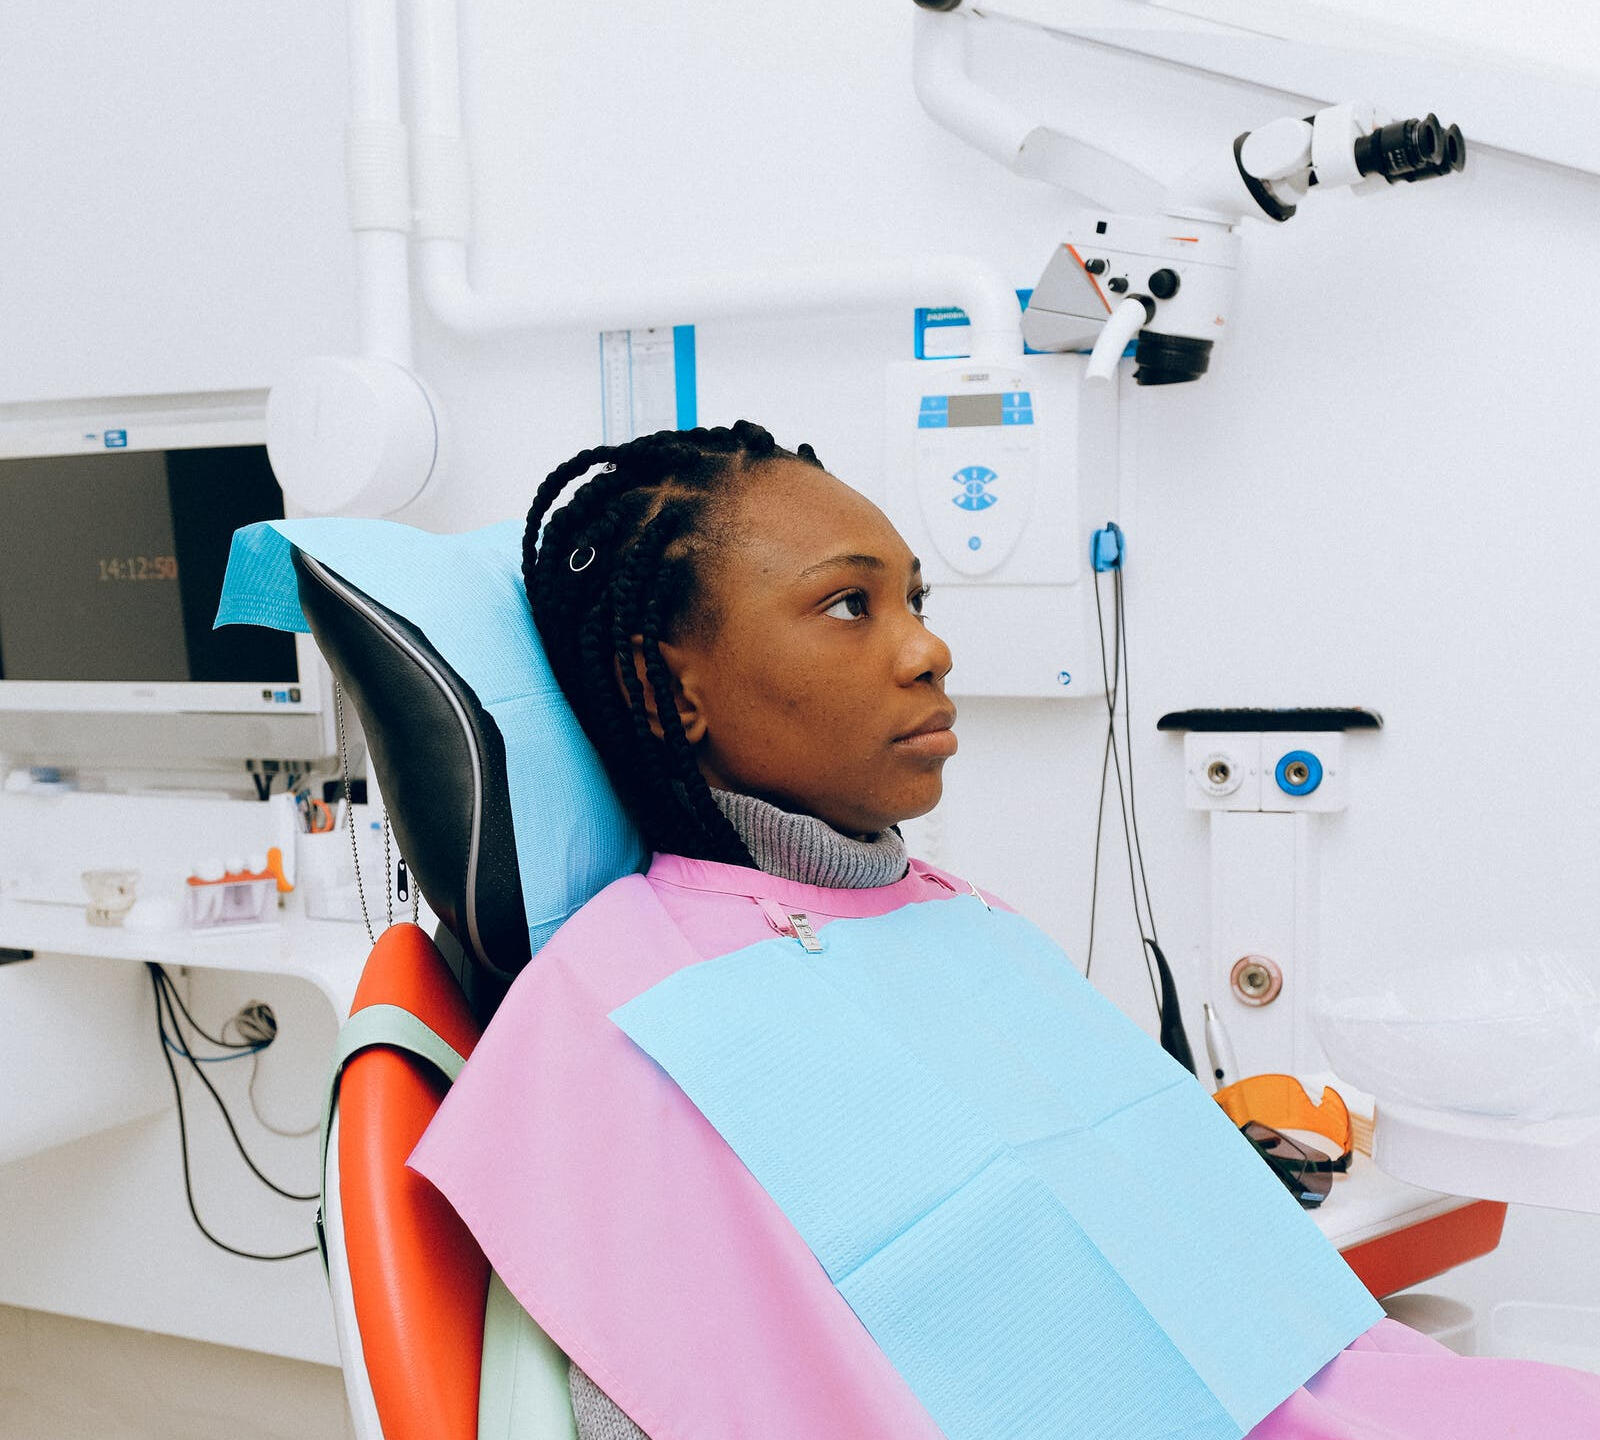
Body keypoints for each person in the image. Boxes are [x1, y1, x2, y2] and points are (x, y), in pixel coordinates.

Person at [412, 422, 1600, 1440]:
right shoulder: (631, 999)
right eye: (847, 604)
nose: (926, 648)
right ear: (667, 683)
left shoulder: (961, 919)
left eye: (915, 601)